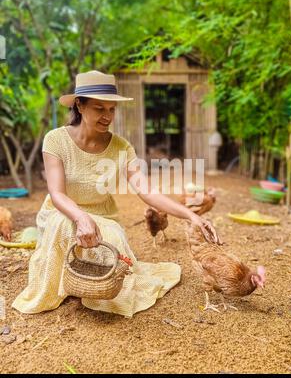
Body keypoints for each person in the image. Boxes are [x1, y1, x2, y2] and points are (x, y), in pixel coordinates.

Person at [12, 70, 221, 317]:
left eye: (111, 109)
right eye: (99, 109)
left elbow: (147, 191)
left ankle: (93, 283)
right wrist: (80, 217)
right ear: (79, 105)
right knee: (62, 224)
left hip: (103, 215)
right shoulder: (55, 140)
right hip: (62, 210)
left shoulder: (121, 147)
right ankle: (63, 281)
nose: (107, 116)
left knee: (112, 236)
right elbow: (57, 194)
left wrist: (191, 216)